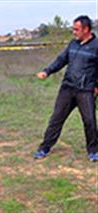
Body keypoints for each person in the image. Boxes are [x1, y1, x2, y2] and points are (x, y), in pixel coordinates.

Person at [34, 15, 98, 162]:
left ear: (86, 29)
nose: (73, 32)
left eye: (76, 29)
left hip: (85, 91)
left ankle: (93, 151)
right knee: (56, 119)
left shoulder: (96, 46)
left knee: (90, 121)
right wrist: (47, 71)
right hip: (67, 89)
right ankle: (44, 148)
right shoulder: (72, 44)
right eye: (73, 29)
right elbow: (61, 60)